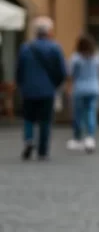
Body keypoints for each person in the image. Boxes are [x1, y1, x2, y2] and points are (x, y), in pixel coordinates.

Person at [15, 16, 66, 160]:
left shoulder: (25, 47)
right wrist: (55, 85)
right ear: (49, 31)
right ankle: (42, 150)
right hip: (47, 90)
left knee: (28, 118)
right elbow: (62, 71)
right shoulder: (54, 47)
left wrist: (21, 85)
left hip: (29, 89)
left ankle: (29, 140)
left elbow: (19, 69)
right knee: (45, 120)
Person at [68, 35, 99, 153]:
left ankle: (77, 138)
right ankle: (90, 137)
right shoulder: (97, 57)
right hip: (94, 88)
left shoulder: (76, 58)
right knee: (91, 112)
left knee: (78, 114)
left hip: (80, 88)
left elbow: (71, 73)